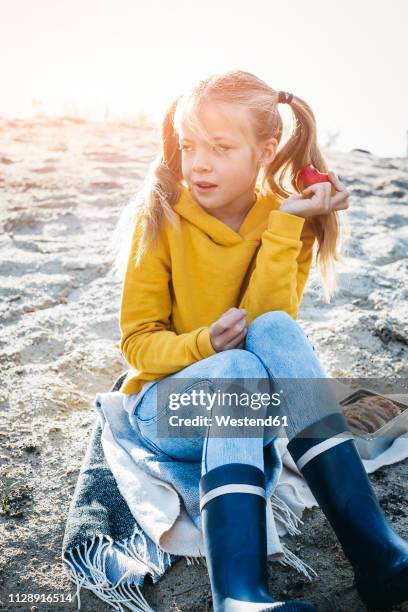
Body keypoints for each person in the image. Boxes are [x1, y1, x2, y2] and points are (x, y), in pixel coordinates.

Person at [112, 71, 408, 611]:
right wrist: (202, 344)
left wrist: (287, 220)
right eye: (188, 145)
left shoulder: (283, 218)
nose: (198, 162)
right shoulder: (159, 218)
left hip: (251, 406)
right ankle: (241, 596)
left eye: (221, 148)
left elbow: (273, 326)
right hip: (165, 408)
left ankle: (380, 557)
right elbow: (137, 344)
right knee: (230, 370)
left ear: (264, 150)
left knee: (272, 332)